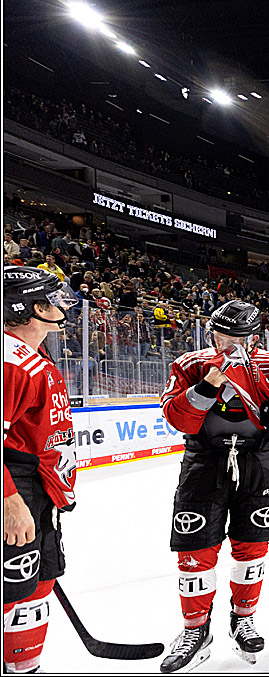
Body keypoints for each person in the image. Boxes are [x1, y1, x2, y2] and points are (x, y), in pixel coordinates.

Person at [158, 299, 269, 672]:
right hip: (204, 460)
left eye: (236, 336)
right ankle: (195, 631)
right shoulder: (190, 363)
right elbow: (176, 417)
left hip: (258, 462)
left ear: (255, 337)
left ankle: (242, 618)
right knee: (195, 549)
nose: (226, 341)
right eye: (220, 333)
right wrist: (208, 386)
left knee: (253, 546)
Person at [3, 267, 79, 674]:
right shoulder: (10, 362)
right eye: (51, 299)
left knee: (37, 582)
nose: (59, 305)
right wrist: (9, 501)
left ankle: (24, 665)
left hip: (39, 491)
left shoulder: (31, 354)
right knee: (12, 588)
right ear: (31, 308)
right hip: (18, 489)